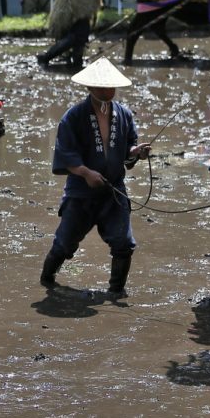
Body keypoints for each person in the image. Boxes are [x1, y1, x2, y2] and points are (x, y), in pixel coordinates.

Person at [39, 58, 151, 297]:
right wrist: (85, 172)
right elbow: (65, 152)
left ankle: (116, 292)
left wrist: (137, 152)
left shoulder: (124, 114)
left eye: (111, 86)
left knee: (124, 243)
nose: (108, 91)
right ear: (89, 88)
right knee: (64, 244)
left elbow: (128, 150)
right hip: (81, 192)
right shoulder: (74, 117)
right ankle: (47, 280)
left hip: (113, 191)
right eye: (102, 87)